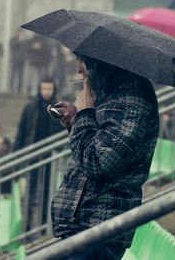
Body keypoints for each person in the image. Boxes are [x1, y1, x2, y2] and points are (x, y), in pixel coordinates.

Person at [48, 54, 159, 260]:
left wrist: (85, 114)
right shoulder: (111, 95)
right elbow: (97, 145)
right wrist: (77, 119)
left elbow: (99, 164)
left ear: (98, 61)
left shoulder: (130, 101)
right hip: (85, 225)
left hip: (98, 229)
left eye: (81, 60)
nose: (79, 69)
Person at [14, 77, 64, 230]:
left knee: (47, 190)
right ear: (39, 89)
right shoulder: (30, 107)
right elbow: (22, 130)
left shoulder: (57, 108)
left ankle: (43, 222)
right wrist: (17, 152)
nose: (46, 92)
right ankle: (28, 222)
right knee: (31, 189)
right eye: (44, 89)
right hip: (33, 154)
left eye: (49, 89)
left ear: (53, 90)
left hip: (50, 155)